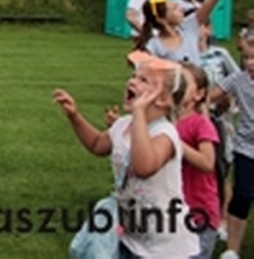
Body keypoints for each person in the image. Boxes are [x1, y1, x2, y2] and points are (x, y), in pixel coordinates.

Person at [53, 52, 199, 257]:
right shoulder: (123, 125)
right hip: (132, 236)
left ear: (163, 99)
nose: (132, 81)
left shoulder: (165, 134)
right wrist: (75, 117)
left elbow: (144, 167)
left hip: (168, 245)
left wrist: (139, 113)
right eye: (133, 76)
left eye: (143, 80)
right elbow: (97, 144)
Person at [208, 35, 254, 259]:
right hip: (245, 148)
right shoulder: (237, 79)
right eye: (246, 58)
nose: (250, 63)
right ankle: (232, 250)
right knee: (242, 196)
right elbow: (210, 96)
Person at [176, 62, 220, 258]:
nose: (177, 86)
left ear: (199, 94)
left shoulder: (201, 124)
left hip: (200, 212)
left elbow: (207, 163)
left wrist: (177, 143)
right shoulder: (164, 122)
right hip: (172, 212)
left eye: (183, 82)